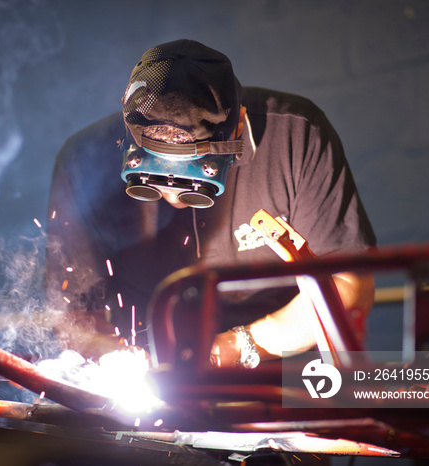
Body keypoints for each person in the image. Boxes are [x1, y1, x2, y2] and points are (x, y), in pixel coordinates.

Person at [45, 39, 376, 368]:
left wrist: (238, 346)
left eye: (194, 184)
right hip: (149, 371)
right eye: (155, 184)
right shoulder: (82, 161)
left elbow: (348, 285)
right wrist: (120, 363)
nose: (174, 199)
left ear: (238, 125)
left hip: (275, 371)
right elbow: (74, 314)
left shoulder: (297, 135)